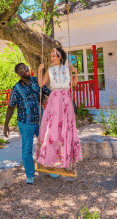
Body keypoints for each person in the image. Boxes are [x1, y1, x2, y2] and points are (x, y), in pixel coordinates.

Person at [36, 47, 83, 175]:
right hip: (55, 99)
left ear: (60, 57)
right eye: (51, 56)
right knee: (52, 130)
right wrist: (39, 71)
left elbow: (74, 84)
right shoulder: (49, 70)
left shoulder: (67, 69)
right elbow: (41, 84)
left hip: (66, 99)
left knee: (66, 129)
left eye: (54, 56)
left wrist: (75, 72)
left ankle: (67, 163)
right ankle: (48, 160)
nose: (51, 58)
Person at [3, 63, 51, 184]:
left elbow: (48, 92)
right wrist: (6, 124)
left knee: (46, 145)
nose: (26, 69)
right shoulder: (16, 89)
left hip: (40, 120)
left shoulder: (36, 81)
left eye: (26, 67)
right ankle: (30, 175)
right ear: (19, 74)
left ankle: (50, 168)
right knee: (27, 149)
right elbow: (11, 107)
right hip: (26, 122)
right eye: (23, 69)